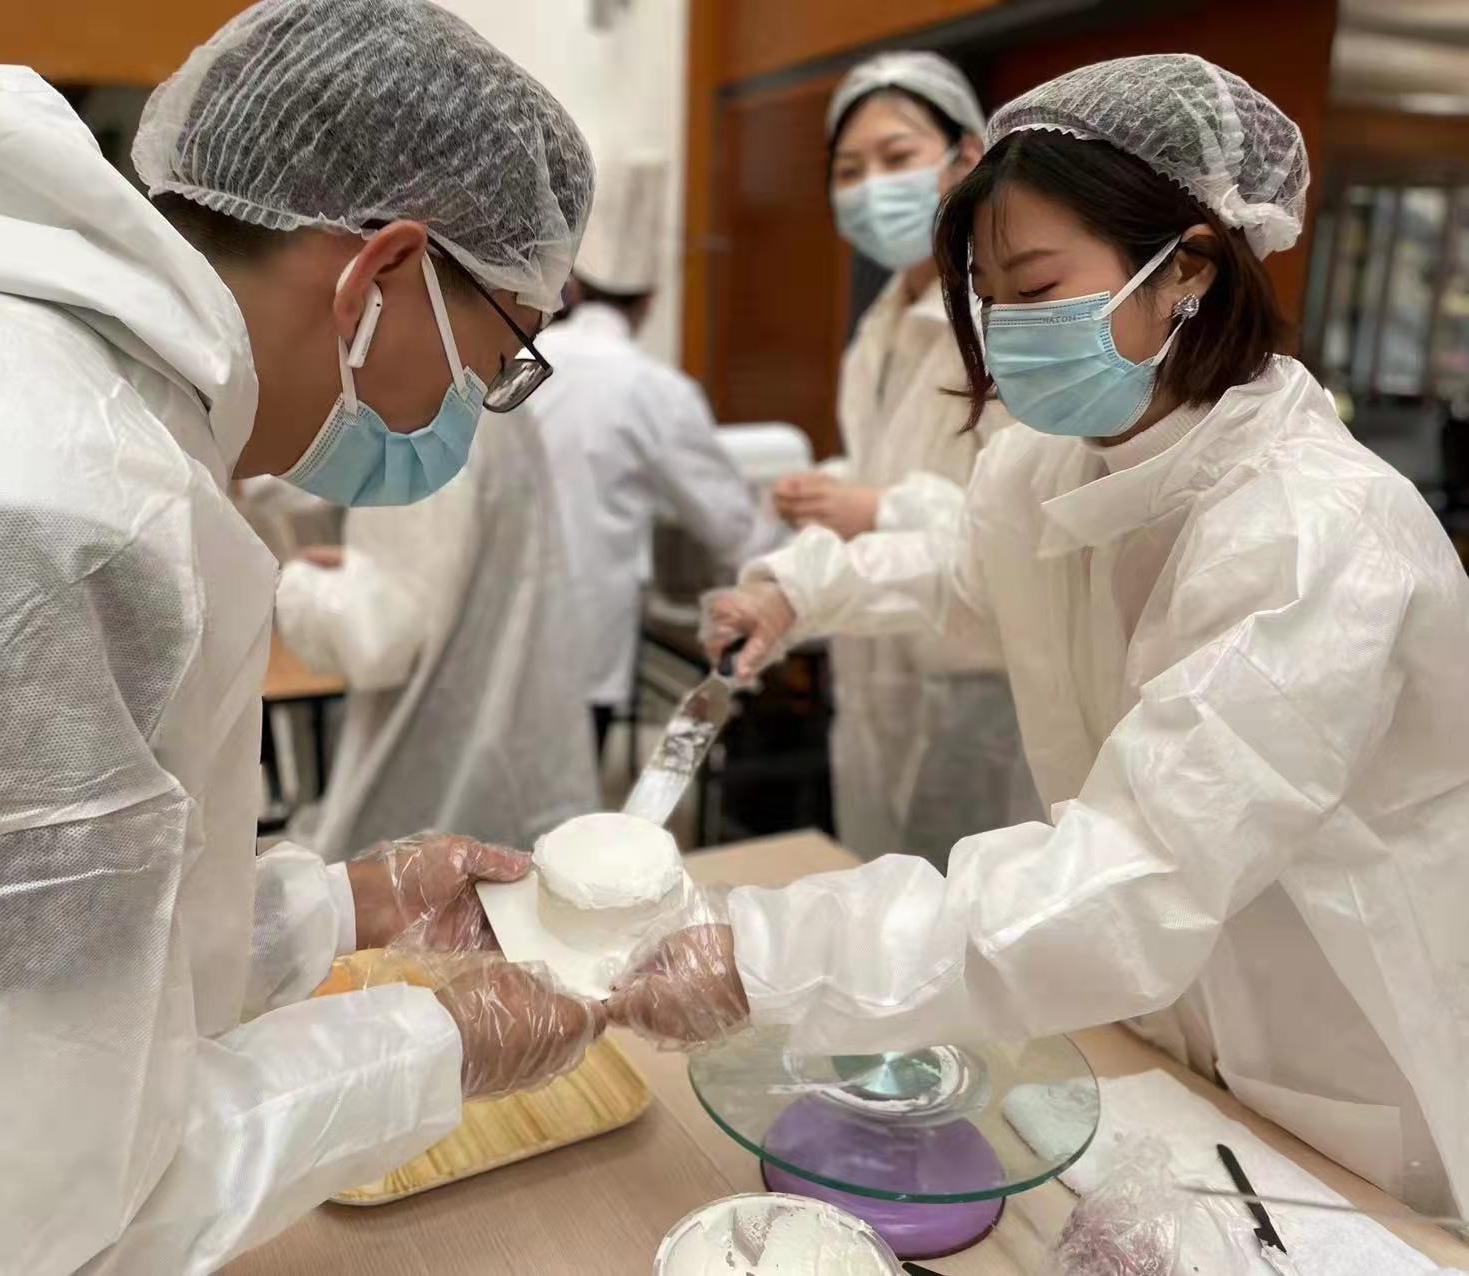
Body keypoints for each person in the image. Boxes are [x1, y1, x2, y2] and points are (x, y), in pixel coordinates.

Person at [0, 2, 607, 1271]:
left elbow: (35, 966)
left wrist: (343, 905)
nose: (467, 412)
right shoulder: (41, 490)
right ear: (379, 278)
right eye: (492, 360)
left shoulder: (10, 388)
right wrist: (441, 1046)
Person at [612, 54, 1469, 1215]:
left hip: (1339, 1058)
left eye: (1035, 284)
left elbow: (1141, 866)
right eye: (988, 294)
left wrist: (764, 957)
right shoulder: (1052, 461)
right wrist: (798, 591)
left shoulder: (1316, 530)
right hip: (1168, 1029)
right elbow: (960, 572)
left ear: (1189, 273)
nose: (1005, 328)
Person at [772, 51, 1035, 866]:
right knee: (881, 894)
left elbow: (1024, 525)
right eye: (849, 170)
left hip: (977, 685)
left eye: (896, 158)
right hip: (878, 669)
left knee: (964, 921)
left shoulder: (1011, 325)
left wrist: (875, 509)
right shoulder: (881, 328)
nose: (870, 187)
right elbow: (895, 459)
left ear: (966, 160)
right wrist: (836, 490)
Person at [263, 398, 599, 857]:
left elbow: (379, 642)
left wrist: (289, 583)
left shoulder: (424, 415)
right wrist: (364, 568)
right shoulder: (495, 406)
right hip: (511, 732)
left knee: (434, 900)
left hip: (438, 764)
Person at [530, 156, 783, 758]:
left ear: (577, 285)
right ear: (649, 301)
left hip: (488, 631)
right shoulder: (655, 390)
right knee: (559, 822)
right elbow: (728, 526)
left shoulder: (519, 356)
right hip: (582, 638)